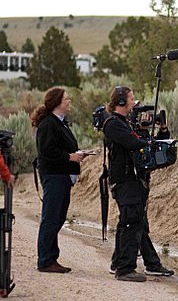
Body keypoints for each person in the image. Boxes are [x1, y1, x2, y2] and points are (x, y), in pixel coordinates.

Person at [103, 86, 174, 282]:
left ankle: (121, 263)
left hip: (133, 181)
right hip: (125, 181)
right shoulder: (113, 124)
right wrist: (144, 139)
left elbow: (145, 147)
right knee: (130, 221)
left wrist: (161, 131)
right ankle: (125, 269)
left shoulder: (125, 124)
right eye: (131, 99)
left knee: (132, 221)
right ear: (121, 102)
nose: (134, 103)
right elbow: (134, 144)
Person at [31, 87, 85, 273]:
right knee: (51, 218)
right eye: (66, 99)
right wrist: (69, 157)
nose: (69, 101)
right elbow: (46, 151)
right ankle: (45, 260)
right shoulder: (48, 124)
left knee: (58, 217)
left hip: (62, 177)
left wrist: (76, 155)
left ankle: (50, 258)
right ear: (57, 103)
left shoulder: (60, 123)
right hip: (54, 176)